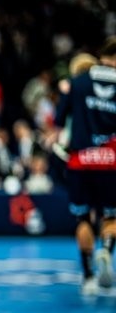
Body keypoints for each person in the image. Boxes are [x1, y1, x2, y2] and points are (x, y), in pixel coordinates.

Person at [47, 37, 116, 295]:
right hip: (111, 161)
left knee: (83, 218)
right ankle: (106, 250)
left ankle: (88, 278)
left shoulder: (77, 82)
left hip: (80, 161)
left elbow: (57, 123)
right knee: (111, 216)